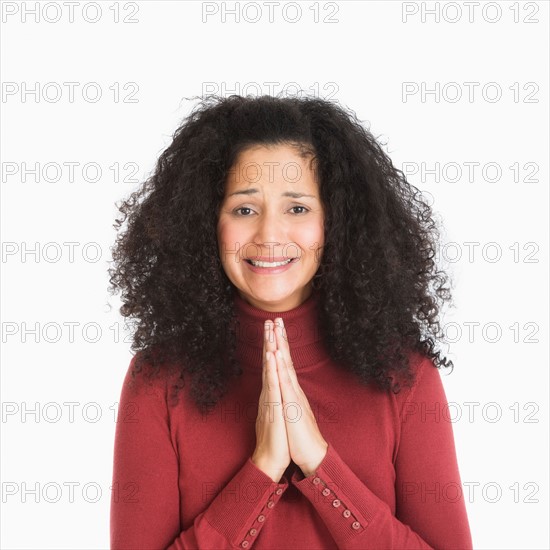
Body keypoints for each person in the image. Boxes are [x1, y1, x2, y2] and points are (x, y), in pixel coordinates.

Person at [108, 94, 473, 549]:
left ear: (333, 223)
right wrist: (262, 469)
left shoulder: (406, 375)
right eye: (244, 209)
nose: (269, 235)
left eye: (297, 208)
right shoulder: (158, 380)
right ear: (207, 222)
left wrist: (320, 464)